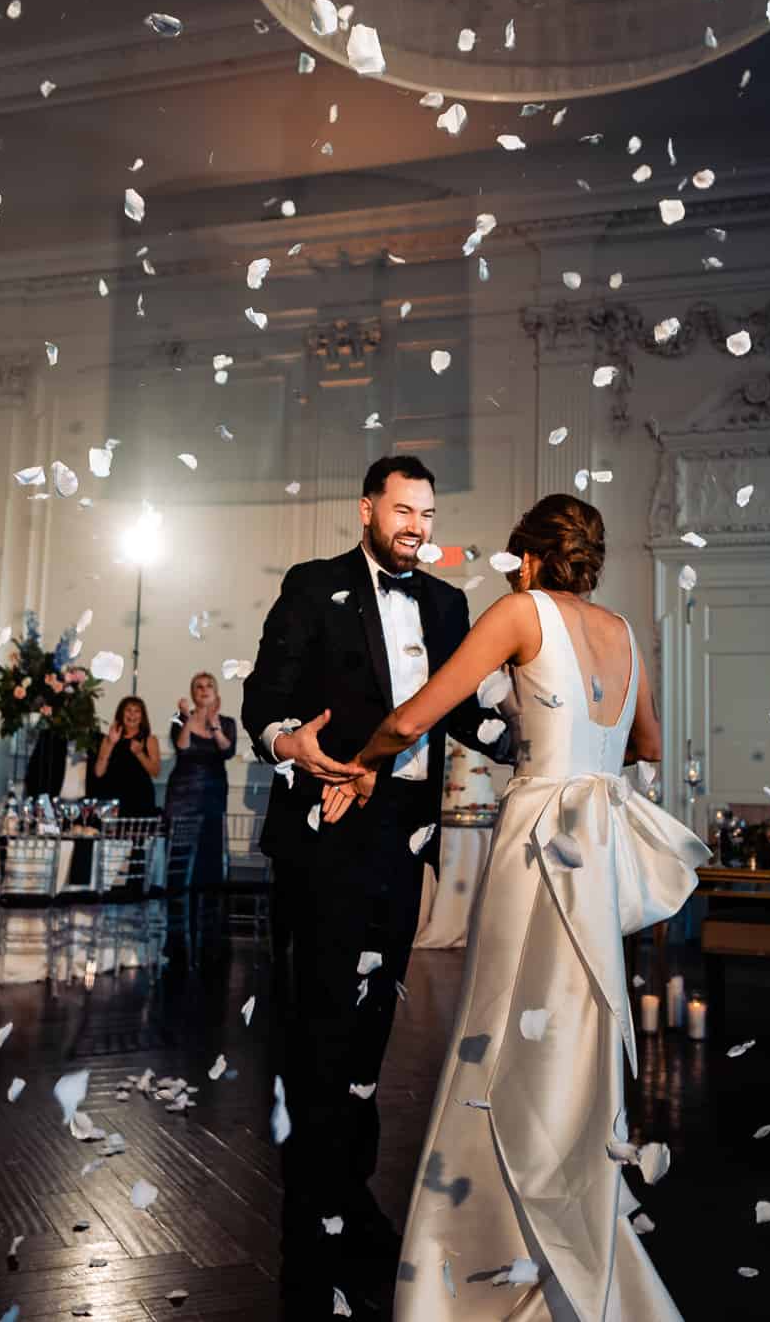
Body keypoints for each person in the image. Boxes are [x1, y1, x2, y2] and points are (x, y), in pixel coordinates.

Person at [328, 492, 707, 1321]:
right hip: (596, 854)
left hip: (538, 843)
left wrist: (361, 759)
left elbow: (419, 713)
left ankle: (474, 1260)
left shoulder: (520, 610)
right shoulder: (624, 634)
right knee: (572, 1034)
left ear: (530, 558)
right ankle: (572, 1233)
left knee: (496, 1031)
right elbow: (646, 744)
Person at [239, 455, 515, 1320]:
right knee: (319, 1024)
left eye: (426, 513)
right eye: (402, 510)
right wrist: (292, 744)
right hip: (326, 831)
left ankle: (350, 1197)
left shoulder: (447, 604)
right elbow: (263, 699)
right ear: (367, 508)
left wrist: (532, 733)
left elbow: (463, 709)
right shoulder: (313, 584)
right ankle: (308, 1222)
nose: (416, 526)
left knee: (370, 1029)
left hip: (406, 838)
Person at [165, 671, 236, 960]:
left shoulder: (228, 722)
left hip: (212, 797)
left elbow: (227, 751)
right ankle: (177, 939)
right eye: (198, 686)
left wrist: (215, 725)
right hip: (182, 798)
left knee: (210, 866)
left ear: (216, 692)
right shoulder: (179, 717)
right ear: (192, 692)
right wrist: (185, 717)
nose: (204, 690)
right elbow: (181, 747)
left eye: (208, 686)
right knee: (180, 868)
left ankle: (209, 939)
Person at [92, 695, 160, 816]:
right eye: (128, 710)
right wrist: (111, 743)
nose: (132, 715)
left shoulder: (150, 739)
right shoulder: (109, 739)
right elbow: (98, 772)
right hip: (112, 799)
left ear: (142, 716)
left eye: (137, 711)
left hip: (139, 798)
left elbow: (155, 772)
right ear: (121, 714)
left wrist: (140, 753)